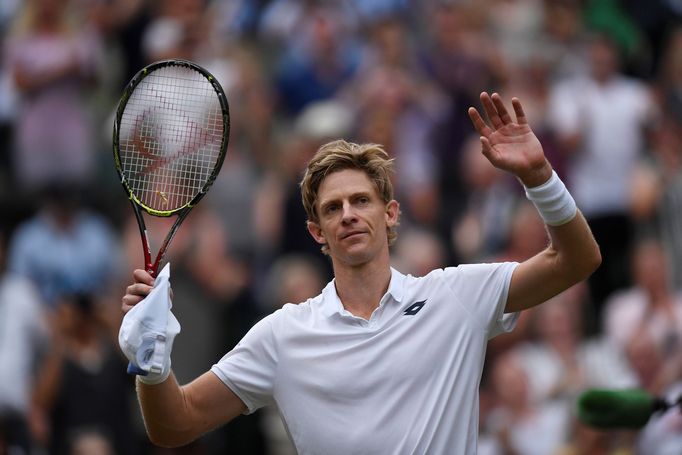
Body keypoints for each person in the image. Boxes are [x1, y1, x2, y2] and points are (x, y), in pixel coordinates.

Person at [120, 92, 601, 453]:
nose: (348, 213)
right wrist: (152, 363)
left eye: (361, 201)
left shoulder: (456, 295)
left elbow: (576, 260)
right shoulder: (284, 334)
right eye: (333, 208)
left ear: (390, 214)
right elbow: (174, 425)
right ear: (317, 233)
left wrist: (540, 177)